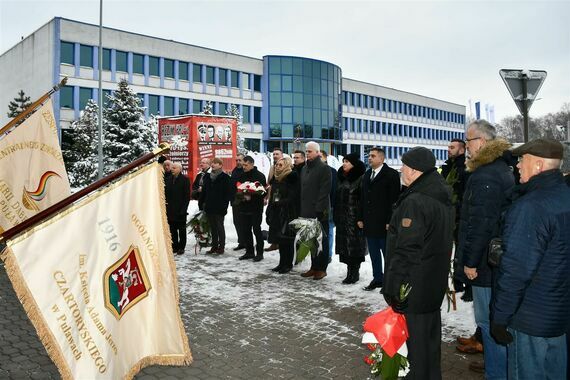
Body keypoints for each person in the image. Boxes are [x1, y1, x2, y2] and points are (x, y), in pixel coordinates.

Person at [490, 139, 569, 380]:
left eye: (521, 160)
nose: (516, 166)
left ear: (537, 165)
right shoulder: (564, 196)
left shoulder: (530, 207)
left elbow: (516, 270)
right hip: (559, 317)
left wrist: (500, 318)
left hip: (530, 319)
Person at [383, 147, 454, 380]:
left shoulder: (416, 200)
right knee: (429, 343)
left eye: (403, 165)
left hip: (414, 285)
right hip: (431, 282)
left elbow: (407, 250)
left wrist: (394, 287)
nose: (401, 169)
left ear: (414, 170)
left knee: (416, 348)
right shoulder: (439, 194)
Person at [456, 120, 514, 379]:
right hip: (494, 260)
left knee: (488, 322)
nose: (466, 146)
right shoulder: (498, 169)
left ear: (482, 142)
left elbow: (480, 224)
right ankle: (495, 364)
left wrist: (469, 262)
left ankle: (496, 372)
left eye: (468, 141)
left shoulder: (485, 175)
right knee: (494, 321)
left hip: (485, 265)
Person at [357, 147, 400, 291]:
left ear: (381, 159)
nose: (369, 158)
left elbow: (394, 200)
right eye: (369, 156)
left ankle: (389, 282)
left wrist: (390, 221)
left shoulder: (391, 174)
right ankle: (377, 279)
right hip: (369, 223)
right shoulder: (367, 174)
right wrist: (360, 217)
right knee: (374, 255)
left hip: (384, 224)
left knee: (387, 254)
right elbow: (362, 198)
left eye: (373, 156)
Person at [299, 141, 331, 280]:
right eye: (306, 151)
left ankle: (322, 268)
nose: (307, 154)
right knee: (310, 240)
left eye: (310, 151)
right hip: (306, 210)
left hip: (319, 211)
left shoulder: (324, 168)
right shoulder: (305, 168)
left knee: (321, 241)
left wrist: (319, 210)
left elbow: (324, 191)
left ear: (318, 152)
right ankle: (314, 266)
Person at [333, 153, 366, 284]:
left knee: (355, 247)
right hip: (342, 217)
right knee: (345, 248)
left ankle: (355, 272)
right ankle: (349, 272)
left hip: (354, 219)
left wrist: (360, 217)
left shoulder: (361, 178)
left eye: (347, 161)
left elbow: (363, 200)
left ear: (354, 164)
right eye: (343, 161)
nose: (344, 164)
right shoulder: (341, 177)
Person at [267, 157, 300, 274]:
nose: (277, 167)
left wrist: (279, 203)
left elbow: (293, 197)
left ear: (286, 166)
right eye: (277, 165)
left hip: (288, 213)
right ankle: (281, 263)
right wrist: (269, 209)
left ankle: (288, 264)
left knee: (287, 241)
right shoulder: (276, 179)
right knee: (280, 240)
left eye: (280, 165)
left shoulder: (291, 178)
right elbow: (272, 196)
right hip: (277, 212)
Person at [237, 155, 267, 262]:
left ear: (252, 164)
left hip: (256, 208)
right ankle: (249, 252)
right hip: (244, 207)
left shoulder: (259, 176)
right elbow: (238, 189)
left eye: (246, 165)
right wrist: (242, 196)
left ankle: (259, 253)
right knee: (246, 230)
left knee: (256, 230)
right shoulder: (241, 175)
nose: (244, 167)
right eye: (243, 165)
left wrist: (252, 195)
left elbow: (263, 192)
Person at [201, 158, 232, 254]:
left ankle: (221, 246)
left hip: (220, 207)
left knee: (219, 226)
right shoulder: (207, 176)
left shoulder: (225, 177)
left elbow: (227, 194)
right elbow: (204, 192)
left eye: (215, 163)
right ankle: (214, 246)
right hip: (210, 205)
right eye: (212, 163)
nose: (213, 164)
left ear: (220, 165)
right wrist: (202, 203)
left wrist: (224, 206)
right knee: (213, 227)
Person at [165, 162, 191, 255]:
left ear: (180, 169)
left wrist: (183, 210)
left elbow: (187, 197)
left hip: (181, 210)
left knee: (181, 230)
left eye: (174, 168)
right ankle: (174, 246)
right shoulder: (168, 179)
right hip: (170, 210)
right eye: (172, 168)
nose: (172, 169)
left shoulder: (185, 180)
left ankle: (181, 247)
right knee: (172, 230)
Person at [265, 147, 284, 252]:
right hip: (272, 197)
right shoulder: (272, 167)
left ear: (282, 155)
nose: (275, 156)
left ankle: (279, 243)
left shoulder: (286, 167)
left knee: (279, 221)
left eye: (277, 154)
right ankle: (274, 242)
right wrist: (267, 197)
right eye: (274, 154)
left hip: (281, 199)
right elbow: (270, 183)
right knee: (271, 219)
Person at [320, 150, 337, 262]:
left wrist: (332, 206)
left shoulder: (332, 171)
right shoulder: (310, 171)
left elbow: (334, 189)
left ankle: (328, 254)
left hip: (328, 206)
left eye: (320, 156)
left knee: (328, 230)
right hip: (314, 206)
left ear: (325, 158)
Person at [231, 154, 245, 251]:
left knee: (244, 223)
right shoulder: (235, 170)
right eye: (236, 160)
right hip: (235, 200)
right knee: (237, 222)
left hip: (243, 201)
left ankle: (247, 242)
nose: (238, 162)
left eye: (240, 160)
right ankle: (241, 242)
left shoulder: (245, 171)